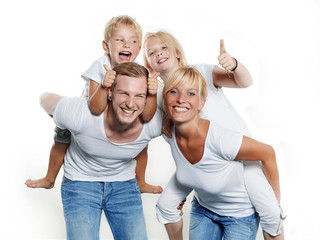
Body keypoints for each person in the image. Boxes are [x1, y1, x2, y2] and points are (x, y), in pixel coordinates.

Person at [143, 31, 285, 239]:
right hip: (196, 166)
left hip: (239, 159)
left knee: (272, 213)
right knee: (165, 205)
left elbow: (244, 82)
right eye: (152, 52)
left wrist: (234, 64)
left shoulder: (201, 73)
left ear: (177, 53)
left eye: (163, 47)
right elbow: (143, 125)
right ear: (149, 65)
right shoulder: (159, 99)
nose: (159, 53)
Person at [25, 15, 161, 194]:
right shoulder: (99, 66)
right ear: (106, 47)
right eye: (119, 40)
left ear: (138, 49)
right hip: (88, 115)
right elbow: (96, 108)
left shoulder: (138, 71)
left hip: (121, 117)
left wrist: (152, 93)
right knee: (61, 137)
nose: (127, 45)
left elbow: (146, 115)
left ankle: (140, 182)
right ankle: (50, 178)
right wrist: (105, 84)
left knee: (142, 143)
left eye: (133, 41)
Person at [38, 62, 162, 239]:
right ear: (110, 92)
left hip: (124, 184)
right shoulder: (79, 115)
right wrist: (63, 125)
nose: (131, 103)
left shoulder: (154, 123)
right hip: (80, 182)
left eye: (139, 96)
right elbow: (44, 98)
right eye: (124, 93)